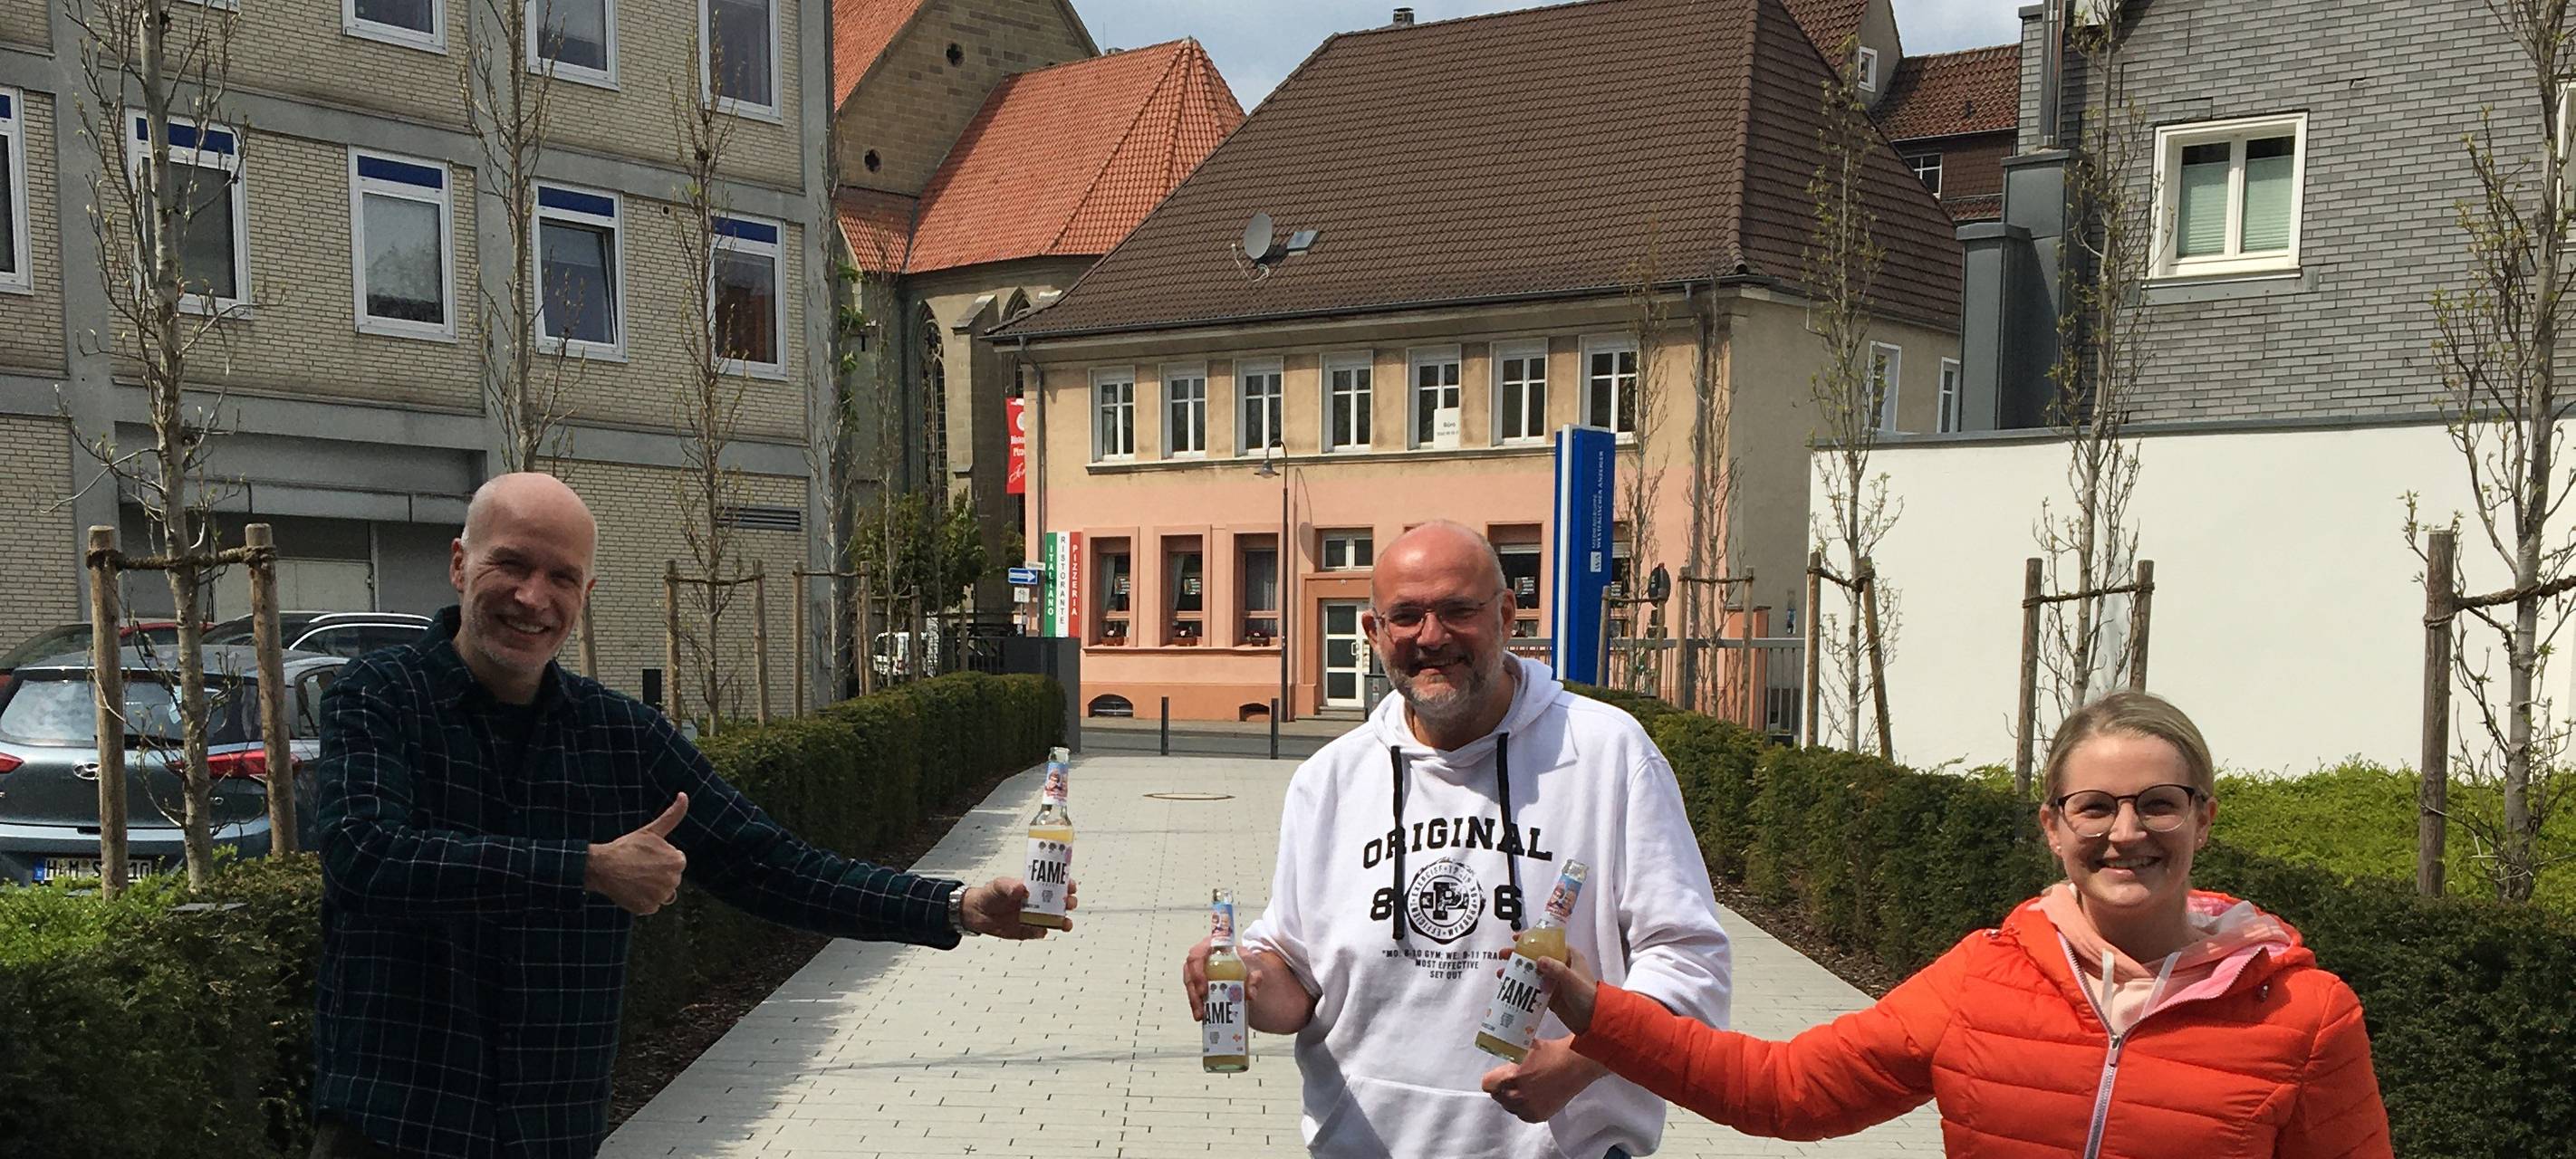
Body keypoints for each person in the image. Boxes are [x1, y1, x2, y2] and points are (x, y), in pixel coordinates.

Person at [309, 473, 1069, 1159]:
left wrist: (955, 905)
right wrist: (586, 868)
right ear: (459, 564)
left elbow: (771, 865)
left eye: (561, 577)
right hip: (394, 1125)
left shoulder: (619, 735)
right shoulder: (380, 696)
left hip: (549, 1129)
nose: (533, 598)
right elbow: (367, 854)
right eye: (510, 564)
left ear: (587, 591)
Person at [1523, 691, 2395, 1158]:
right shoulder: (1985, 977)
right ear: (2053, 826)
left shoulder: (2306, 1015)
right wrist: (1600, 1014)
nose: (2126, 833)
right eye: (2095, 807)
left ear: (2203, 819)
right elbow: (1782, 1091)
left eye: (2158, 805)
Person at [1180, 521, 1733, 1159]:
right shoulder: (1327, 781)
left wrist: (1584, 1061)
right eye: (1407, 616)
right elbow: (1297, 981)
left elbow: (1691, 960)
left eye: (1457, 610)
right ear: (1373, 633)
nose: (1432, 637)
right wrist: (1248, 980)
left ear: (1506, 614)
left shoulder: (1608, 755)